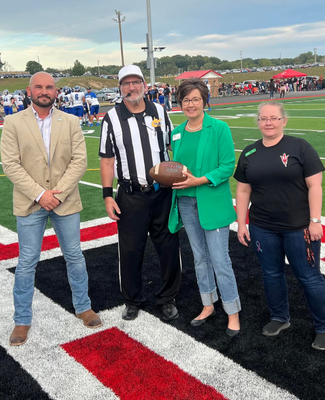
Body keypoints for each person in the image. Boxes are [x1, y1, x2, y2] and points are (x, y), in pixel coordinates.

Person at [1, 72, 102, 346]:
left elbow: (80, 161)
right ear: (29, 90)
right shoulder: (12, 122)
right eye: (39, 87)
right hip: (30, 201)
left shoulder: (69, 121)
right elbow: (10, 164)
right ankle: (22, 321)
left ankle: (83, 307)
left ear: (55, 91)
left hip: (65, 200)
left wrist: (58, 193)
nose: (44, 91)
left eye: (49, 87)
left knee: (74, 257)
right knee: (26, 263)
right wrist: (39, 194)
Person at [234, 101, 325, 351]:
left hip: (299, 227)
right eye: (264, 119)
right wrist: (242, 223)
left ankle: (323, 326)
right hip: (263, 226)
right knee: (272, 274)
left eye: (274, 118)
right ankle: (279, 317)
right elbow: (243, 190)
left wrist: (315, 221)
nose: (269, 123)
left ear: (284, 120)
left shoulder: (300, 147)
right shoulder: (249, 152)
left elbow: (315, 186)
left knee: (309, 277)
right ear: (258, 122)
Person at [99, 65, 182, 322]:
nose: (131, 87)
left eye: (136, 82)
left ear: (144, 85)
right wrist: (107, 195)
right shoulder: (111, 117)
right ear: (120, 87)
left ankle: (168, 297)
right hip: (131, 194)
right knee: (131, 250)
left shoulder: (159, 110)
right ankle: (132, 299)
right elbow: (106, 159)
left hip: (162, 193)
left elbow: (171, 145)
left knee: (169, 247)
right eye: (126, 83)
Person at [168, 78, 241, 336]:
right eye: (186, 99)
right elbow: (175, 167)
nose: (190, 104)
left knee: (220, 260)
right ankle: (208, 304)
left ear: (204, 101)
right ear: (180, 103)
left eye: (195, 99)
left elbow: (227, 166)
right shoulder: (176, 132)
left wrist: (199, 180)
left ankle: (232, 312)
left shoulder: (219, 128)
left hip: (212, 201)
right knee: (199, 258)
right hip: (186, 203)